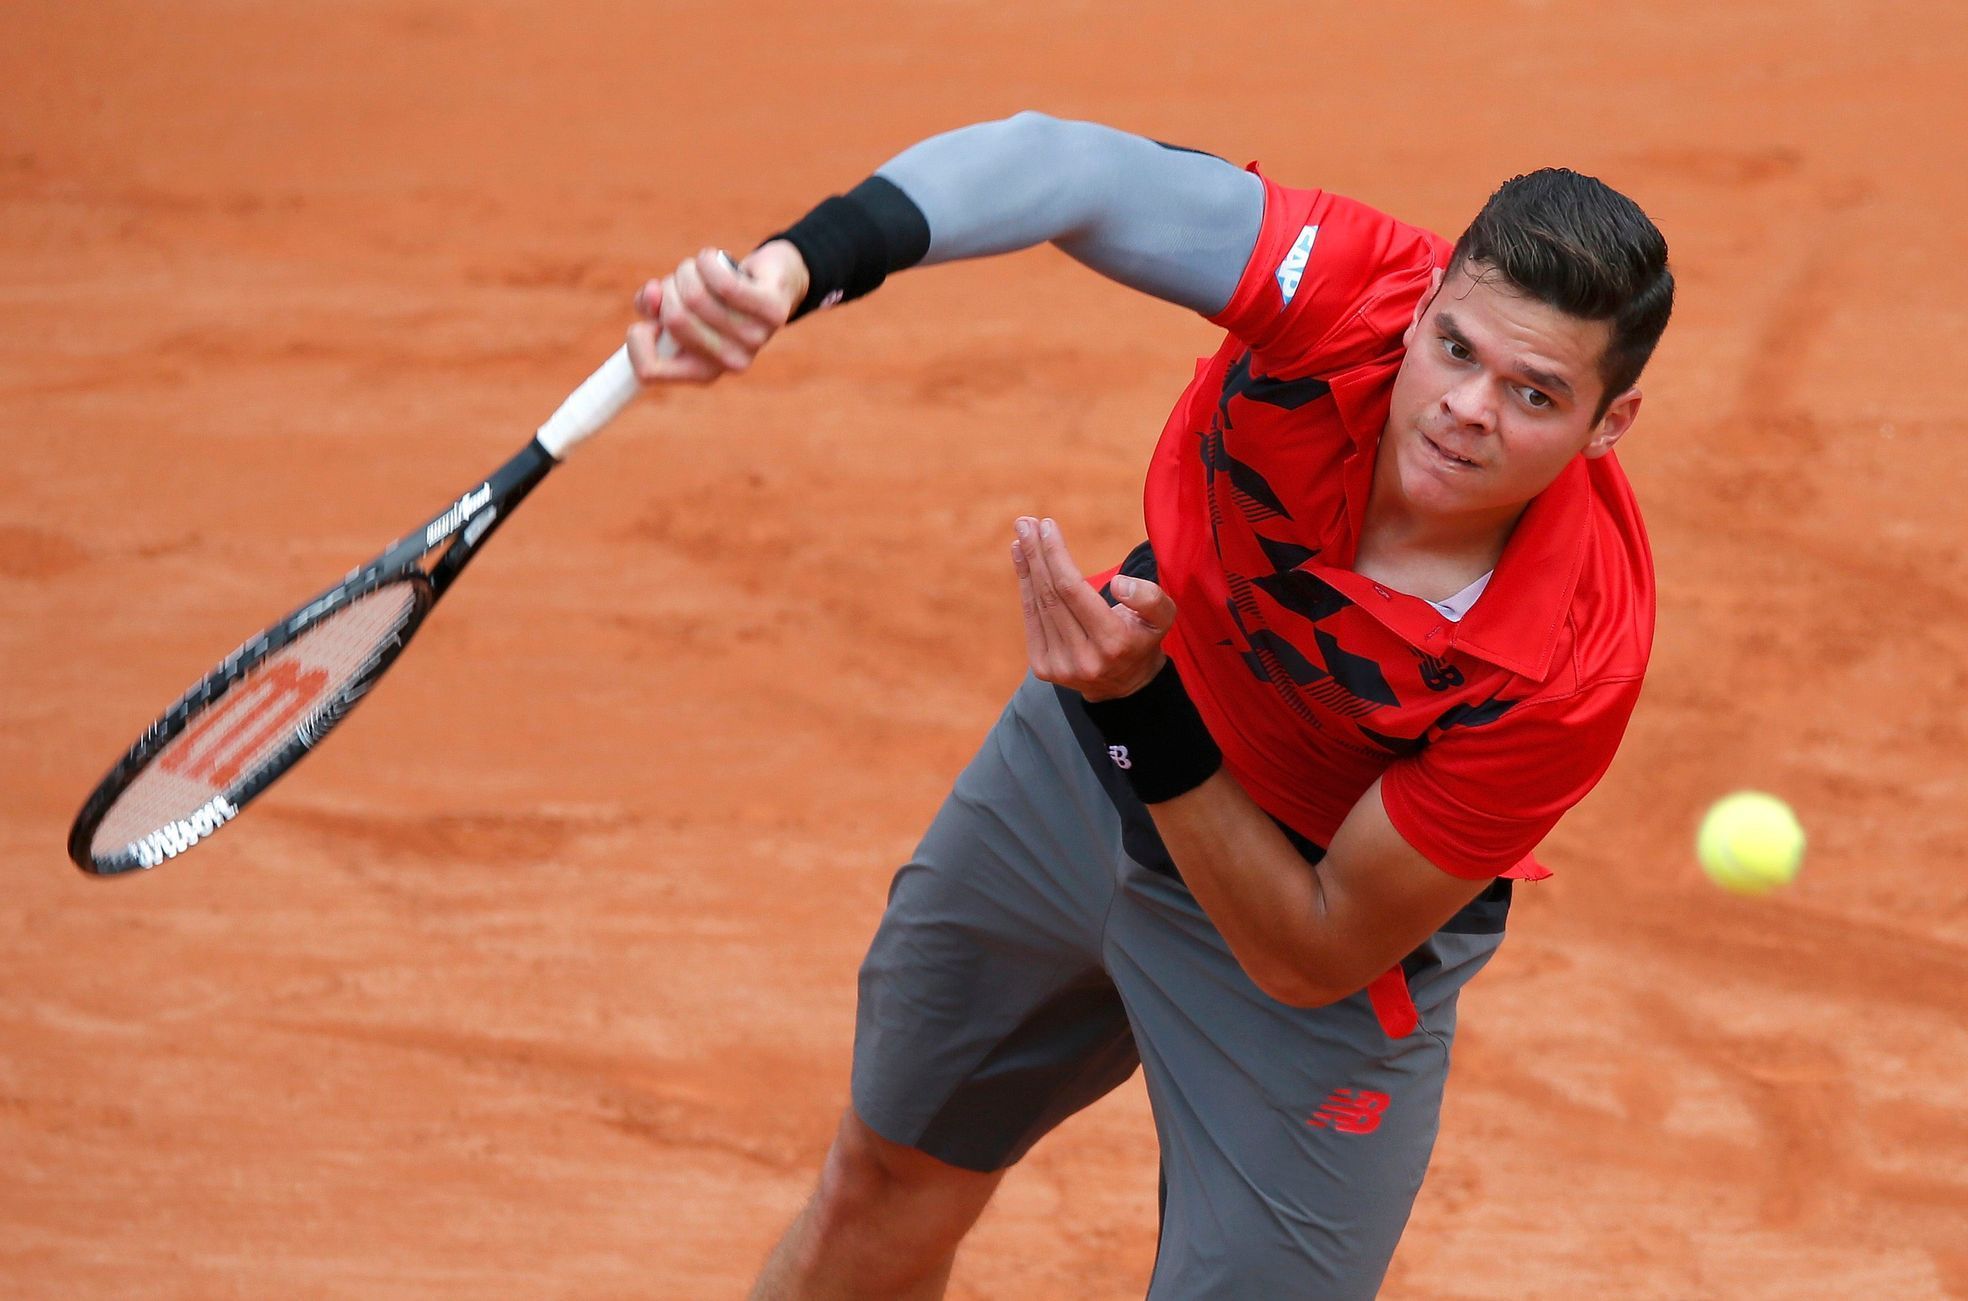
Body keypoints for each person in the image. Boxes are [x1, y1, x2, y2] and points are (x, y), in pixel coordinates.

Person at [626, 111, 1673, 1299]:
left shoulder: (1573, 663)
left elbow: (1311, 947)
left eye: (1535, 394)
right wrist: (792, 268)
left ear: (1610, 424)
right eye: (1456, 349)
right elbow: (1064, 169)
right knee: (880, 1187)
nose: (1468, 407)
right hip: (1072, 780)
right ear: (1424, 302)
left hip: (1291, 914)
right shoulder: (1348, 290)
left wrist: (1142, 706)